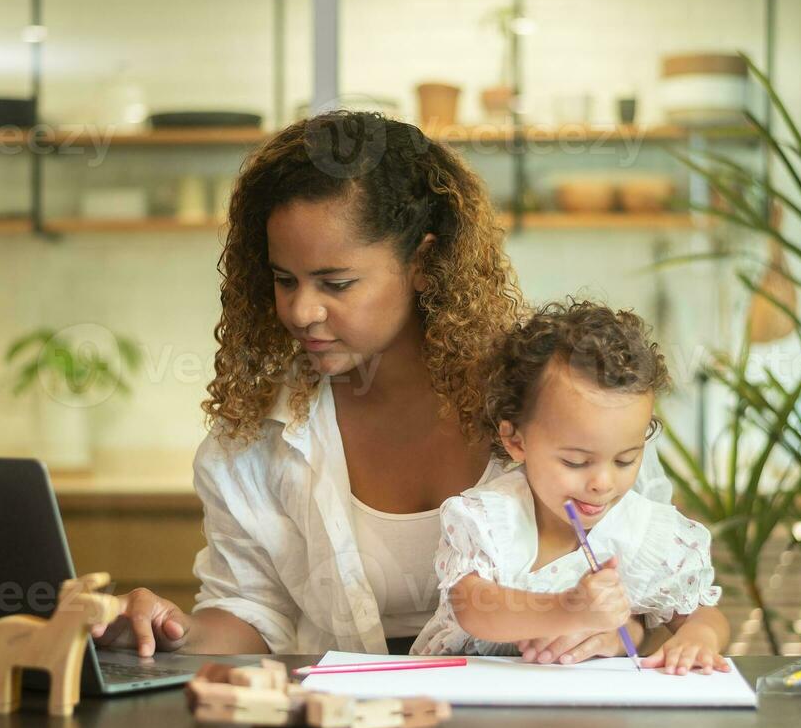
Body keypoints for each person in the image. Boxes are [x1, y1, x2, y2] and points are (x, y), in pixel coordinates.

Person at [90, 110, 684, 664]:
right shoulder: (254, 435)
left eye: (336, 283)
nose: (301, 311)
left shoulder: (552, 399)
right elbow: (253, 615)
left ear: (424, 262)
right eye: (284, 279)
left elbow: (658, 597)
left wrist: (620, 631)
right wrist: (169, 631)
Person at [411, 300, 731, 674]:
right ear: (516, 441)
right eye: (576, 462)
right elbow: (472, 606)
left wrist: (700, 638)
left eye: (626, 459)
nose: (603, 483)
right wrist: (568, 609)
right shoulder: (489, 518)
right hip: (463, 699)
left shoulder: (646, 534)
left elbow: (704, 615)